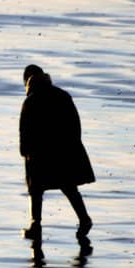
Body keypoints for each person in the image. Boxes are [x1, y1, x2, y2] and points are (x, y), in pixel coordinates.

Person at [19, 64, 95, 242]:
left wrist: (24, 151)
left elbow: (25, 129)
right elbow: (75, 124)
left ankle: (35, 225)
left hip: (39, 153)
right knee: (68, 186)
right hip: (64, 151)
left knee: (36, 190)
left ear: (28, 81)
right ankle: (84, 219)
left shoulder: (31, 100)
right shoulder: (62, 95)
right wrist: (73, 145)